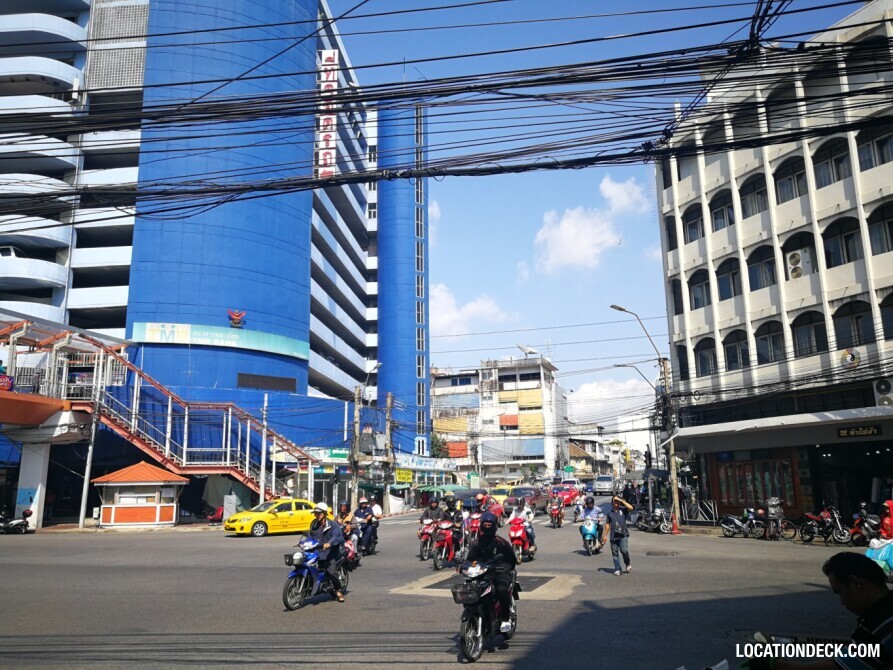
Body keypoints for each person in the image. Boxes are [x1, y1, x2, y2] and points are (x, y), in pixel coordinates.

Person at [743, 552, 893, 670]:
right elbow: (845, 660)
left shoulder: (883, 625)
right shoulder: (878, 614)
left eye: (840, 592)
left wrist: (775, 665)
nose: (841, 601)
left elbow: (838, 668)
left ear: (855, 584)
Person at [465, 511, 518, 634]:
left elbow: (511, 560)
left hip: (500, 572)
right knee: (471, 591)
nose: (487, 528)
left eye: (490, 525)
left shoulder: (501, 542)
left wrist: (504, 567)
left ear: (494, 526)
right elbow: (469, 560)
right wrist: (464, 566)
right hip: (483, 573)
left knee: (501, 589)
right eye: (485, 525)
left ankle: (505, 619)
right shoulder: (476, 543)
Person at [308, 502, 346, 602]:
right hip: (318, 551)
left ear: (324, 513)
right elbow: (310, 535)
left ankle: (338, 590)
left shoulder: (333, 525)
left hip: (331, 552)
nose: (316, 515)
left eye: (318, 513)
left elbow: (337, 536)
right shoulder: (314, 524)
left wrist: (329, 543)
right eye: (315, 513)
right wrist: (303, 543)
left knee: (331, 572)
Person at [605, 495, 633, 576]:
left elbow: (631, 508)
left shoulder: (623, 510)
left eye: (617, 501)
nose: (616, 503)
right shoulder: (610, 513)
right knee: (615, 554)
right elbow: (607, 524)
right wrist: (605, 536)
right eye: (615, 501)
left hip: (623, 534)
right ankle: (618, 569)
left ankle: (627, 563)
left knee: (624, 550)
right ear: (612, 502)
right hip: (613, 536)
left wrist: (622, 501)